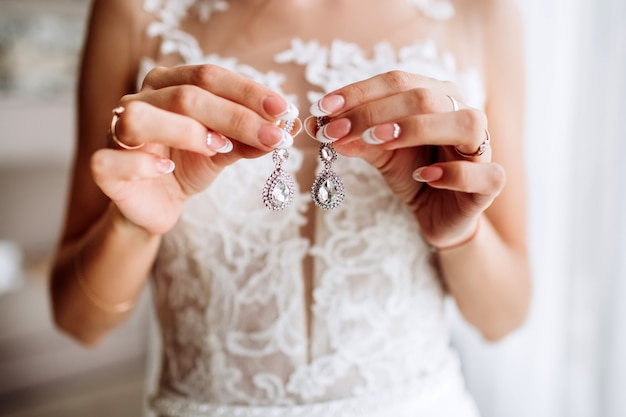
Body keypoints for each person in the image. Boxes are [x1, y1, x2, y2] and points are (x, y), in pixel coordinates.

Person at [50, 0, 530, 416]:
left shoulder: (479, 13)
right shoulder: (136, 11)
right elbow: (77, 321)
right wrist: (132, 228)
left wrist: (461, 235)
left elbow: (504, 317)